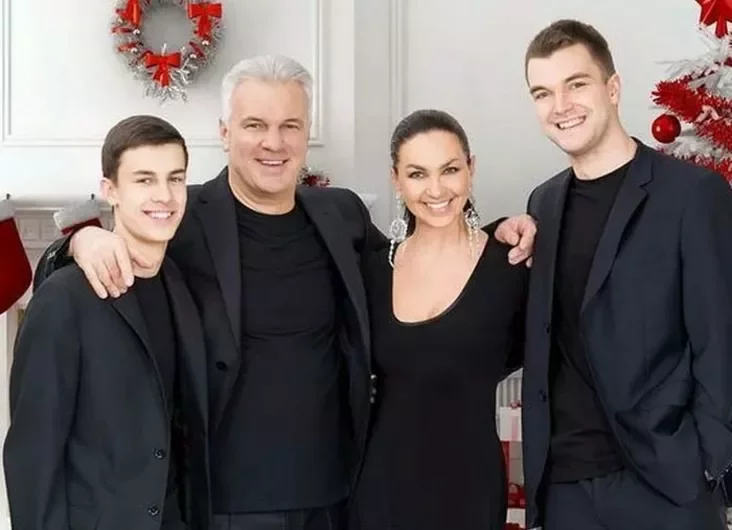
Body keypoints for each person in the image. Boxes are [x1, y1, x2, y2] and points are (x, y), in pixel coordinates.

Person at [32, 55, 537, 530]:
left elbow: (422, 259)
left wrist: (496, 236)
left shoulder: (342, 216)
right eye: (255, 125)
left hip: (338, 498)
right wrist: (78, 242)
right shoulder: (181, 218)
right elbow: (82, 285)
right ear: (225, 132)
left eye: (290, 126)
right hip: (226, 506)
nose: (273, 143)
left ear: (306, 133)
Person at [521, 19, 732, 530]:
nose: (560, 106)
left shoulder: (692, 195)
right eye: (542, 93)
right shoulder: (542, 204)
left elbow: (720, 338)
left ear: (612, 88)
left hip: (666, 483)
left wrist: (708, 460)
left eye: (576, 84)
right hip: (566, 487)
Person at [3, 115, 210, 530]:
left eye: (175, 178)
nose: (164, 195)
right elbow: (32, 457)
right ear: (110, 190)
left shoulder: (181, 282)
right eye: (144, 179)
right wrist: (77, 241)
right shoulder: (64, 298)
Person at [348, 109, 528, 530]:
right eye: (417, 174)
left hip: (469, 492)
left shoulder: (512, 266)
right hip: (378, 491)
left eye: (449, 170)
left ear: (471, 169)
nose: (436, 189)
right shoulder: (372, 270)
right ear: (396, 180)